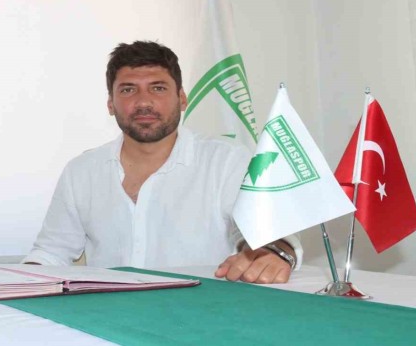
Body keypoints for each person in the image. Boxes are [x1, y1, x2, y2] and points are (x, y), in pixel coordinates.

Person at [24, 41, 301, 284]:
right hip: (108, 312)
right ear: (110, 104)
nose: (144, 102)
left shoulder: (227, 161)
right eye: (128, 90)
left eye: (158, 88)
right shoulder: (81, 171)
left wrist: (273, 254)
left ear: (182, 98)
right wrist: (14, 282)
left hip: (203, 311)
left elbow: (270, 236)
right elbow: (52, 252)